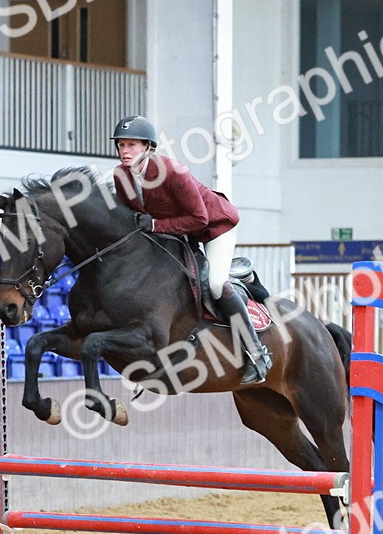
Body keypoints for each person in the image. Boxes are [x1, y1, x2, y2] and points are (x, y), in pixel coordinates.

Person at [110, 114, 271, 385]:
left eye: (132, 145)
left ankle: (257, 354)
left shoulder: (172, 171)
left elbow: (200, 219)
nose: (125, 151)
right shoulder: (121, 175)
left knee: (217, 285)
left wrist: (157, 224)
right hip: (178, 233)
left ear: (148, 147)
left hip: (215, 227)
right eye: (121, 145)